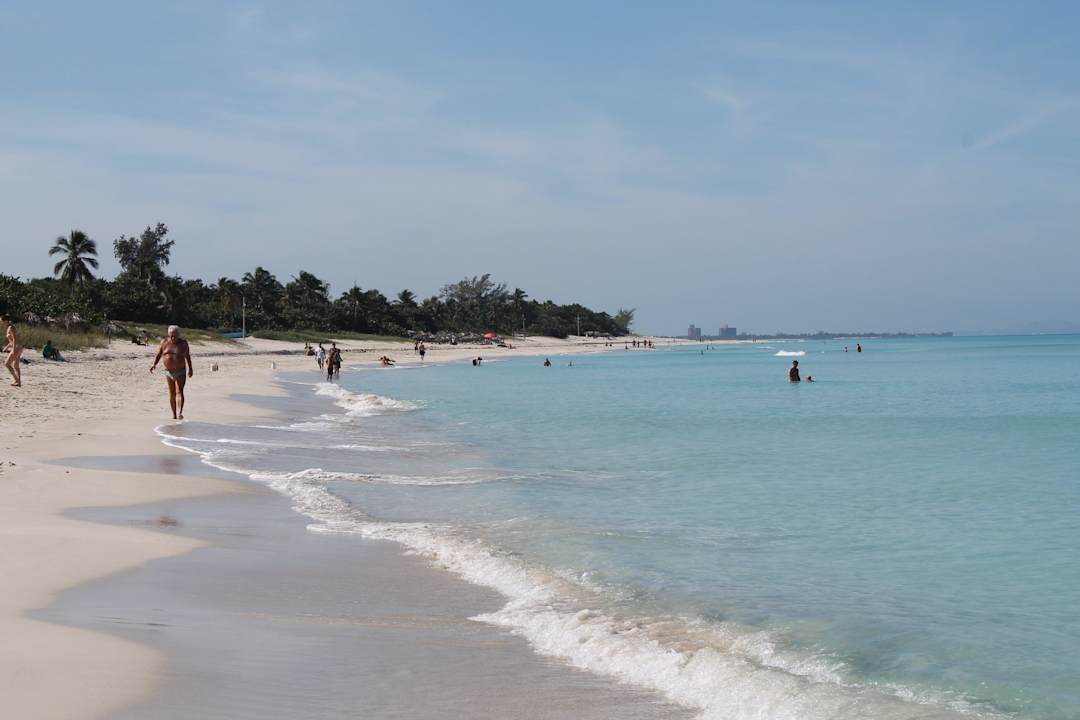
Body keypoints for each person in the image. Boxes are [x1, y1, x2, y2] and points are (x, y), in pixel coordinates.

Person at [150, 325, 193, 419]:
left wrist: (190, 369)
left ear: (179, 335)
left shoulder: (183, 344)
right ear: (168, 335)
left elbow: (188, 357)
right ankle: (174, 415)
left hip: (180, 371)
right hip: (168, 371)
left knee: (179, 391)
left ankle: (180, 412)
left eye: (175, 336)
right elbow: (159, 354)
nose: (173, 338)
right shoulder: (164, 342)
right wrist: (154, 364)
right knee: (171, 393)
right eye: (171, 336)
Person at [2, 315, 23, 387]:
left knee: (7, 364)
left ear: (6, 321)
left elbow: (15, 339)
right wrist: (6, 347)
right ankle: (18, 382)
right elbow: (11, 340)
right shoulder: (10, 327)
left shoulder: (11, 327)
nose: (1, 322)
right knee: (16, 365)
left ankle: (16, 380)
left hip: (17, 347)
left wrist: (13, 349)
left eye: (1, 321)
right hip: (19, 347)